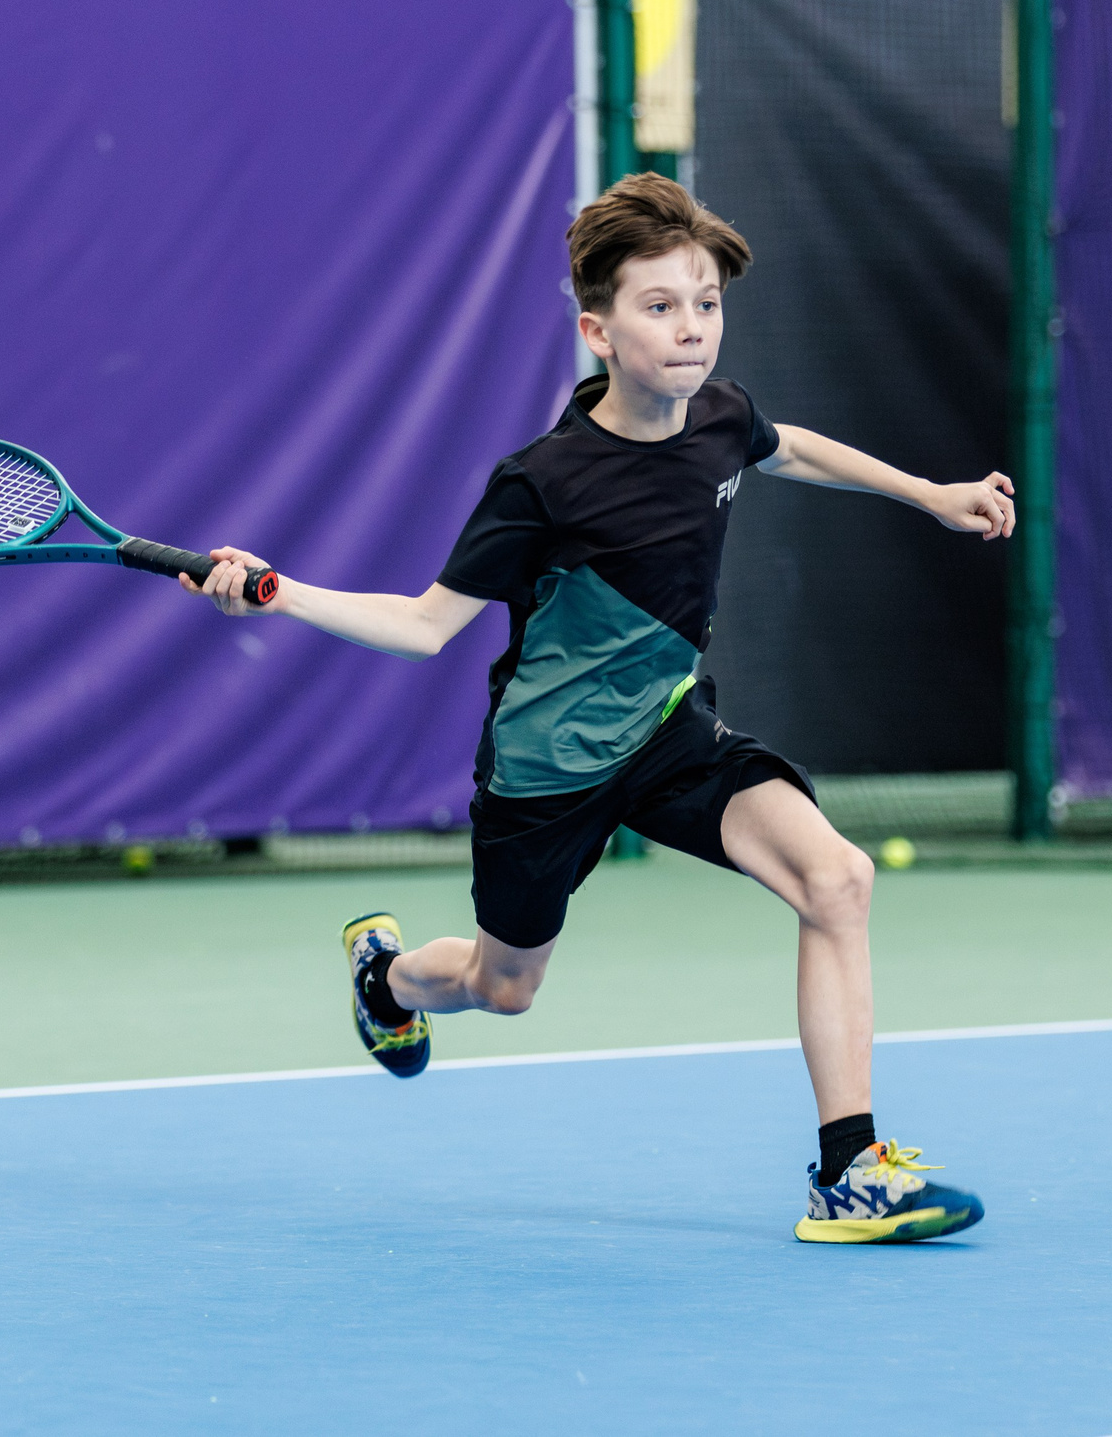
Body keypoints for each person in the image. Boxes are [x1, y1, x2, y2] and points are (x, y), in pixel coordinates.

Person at [182, 173, 1015, 1243]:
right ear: (598, 330)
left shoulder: (719, 419)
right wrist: (273, 588)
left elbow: (790, 447)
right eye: (659, 306)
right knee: (503, 985)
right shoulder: (542, 483)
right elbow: (426, 625)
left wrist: (931, 495)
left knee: (836, 877)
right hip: (546, 770)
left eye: (706, 302)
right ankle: (385, 975)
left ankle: (847, 1171)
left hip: (669, 732)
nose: (691, 328)